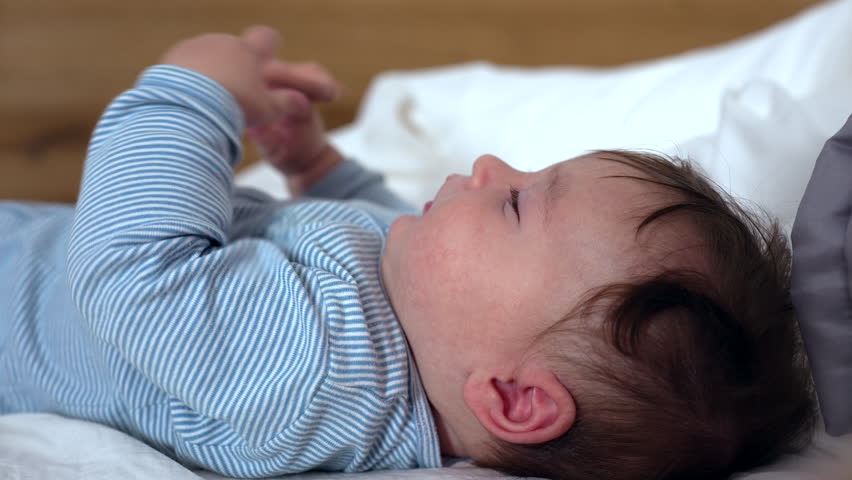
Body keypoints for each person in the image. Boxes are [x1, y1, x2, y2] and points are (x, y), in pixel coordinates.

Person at [0, 26, 816, 480]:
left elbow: (134, 272)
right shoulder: (420, 330)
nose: (495, 167)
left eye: (517, 205)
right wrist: (316, 167)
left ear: (514, 400)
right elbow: (386, 235)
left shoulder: (314, 376)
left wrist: (188, 92)